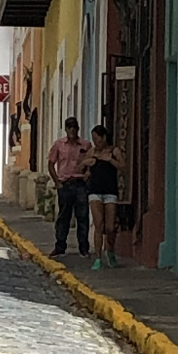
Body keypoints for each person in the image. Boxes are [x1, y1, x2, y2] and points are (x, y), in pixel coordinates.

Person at [48, 116, 90, 257]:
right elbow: (51, 164)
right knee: (63, 216)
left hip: (80, 184)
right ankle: (60, 246)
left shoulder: (85, 145)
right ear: (66, 129)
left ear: (77, 129)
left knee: (82, 216)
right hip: (65, 184)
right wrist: (57, 182)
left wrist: (87, 176)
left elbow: (91, 161)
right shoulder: (59, 145)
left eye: (74, 127)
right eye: (69, 127)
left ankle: (83, 247)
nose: (72, 130)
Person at [85, 125, 124, 270]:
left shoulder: (114, 151)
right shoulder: (91, 152)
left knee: (110, 227)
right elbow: (81, 168)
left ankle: (110, 250)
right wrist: (85, 166)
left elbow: (123, 166)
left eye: (97, 139)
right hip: (95, 191)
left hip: (110, 191)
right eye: (93, 139)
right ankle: (98, 257)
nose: (96, 142)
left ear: (104, 138)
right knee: (98, 224)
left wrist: (110, 160)